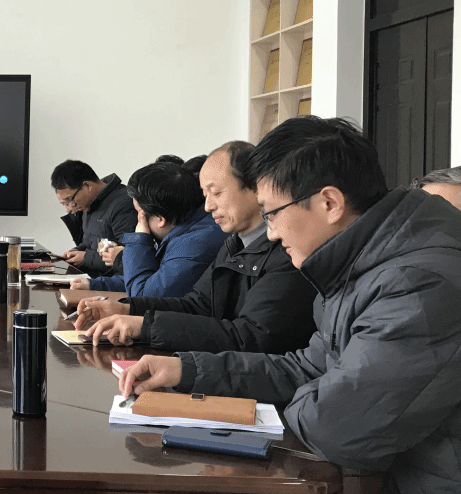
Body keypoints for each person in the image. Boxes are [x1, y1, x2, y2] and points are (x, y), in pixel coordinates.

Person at [120, 117, 461, 493]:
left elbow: (337, 429)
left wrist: (318, 394)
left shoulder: (416, 282)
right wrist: (187, 370)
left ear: (329, 203)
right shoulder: (362, 262)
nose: (270, 233)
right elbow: (308, 368)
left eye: (272, 213)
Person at [75, 141, 317, 353]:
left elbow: (250, 337)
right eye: (205, 195)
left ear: (256, 187)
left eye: (216, 193)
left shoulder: (287, 250)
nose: (209, 206)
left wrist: (146, 326)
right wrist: (127, 309)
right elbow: (198, 305)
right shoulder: (233, 242)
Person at [72, 161, 228, 297]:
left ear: (160, 219)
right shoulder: (187, 227)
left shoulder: (193, 245)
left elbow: (142, 295)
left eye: (139, 213)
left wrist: (139, 239)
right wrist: (95, 284)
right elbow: (152, 279)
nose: (138, 220)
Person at [51, 160, 136, 277]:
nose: (69, 209)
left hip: (113, 282)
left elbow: (129, 257)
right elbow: (88, 243)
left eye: (70, 200)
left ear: (87, 186)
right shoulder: (89, 205)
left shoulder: (123, 204)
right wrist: (75, 252)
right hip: (93, 276)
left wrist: (85, 258)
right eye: (65, 204)